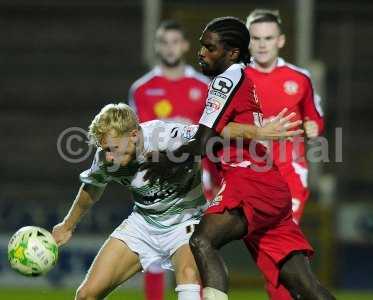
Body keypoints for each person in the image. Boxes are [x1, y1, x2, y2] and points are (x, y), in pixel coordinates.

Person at [140, 17, 335, 300]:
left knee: (202, 241)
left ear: (231, 53)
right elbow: (219, 132)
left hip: (248, 181)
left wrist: (163, 162)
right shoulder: (243, 77)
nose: (202, 53)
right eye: (201, 46)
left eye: (210, 48)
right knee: (305, 286)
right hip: (270, 187)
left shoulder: (226, 79)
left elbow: (202, 141)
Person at [52, 103, 302, 300]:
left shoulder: (167, 135)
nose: (109, 156)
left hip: (186, 222)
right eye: (105, 149)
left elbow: (216, 131)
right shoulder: (106, 157)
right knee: (86, 295)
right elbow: (92, 188)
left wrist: (259, 132)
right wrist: (68, 225)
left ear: (134, 134)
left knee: (188, 276)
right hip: (143, 224)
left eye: (113, 148)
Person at [128, 20, 217, 299]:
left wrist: (214, 177)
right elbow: (135, 138)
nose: (169, 47)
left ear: (186, 46)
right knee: (152, 255)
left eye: (175, 41)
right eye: (164, 42)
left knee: (197, 250)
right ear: (156, 46)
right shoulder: (142, 88)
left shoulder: (203, 86)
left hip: (195, 178)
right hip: (155, 177)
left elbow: (213, 136)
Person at [244, 9, 326, 299]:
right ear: (248, 41)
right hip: (248, 176)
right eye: (256, 38)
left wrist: (313, 126)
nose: (262, 44)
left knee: (279, 244)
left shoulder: (299, 78)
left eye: (268, 38)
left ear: (281, 40)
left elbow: (315, 116)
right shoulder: (236, 78)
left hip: (289, 172)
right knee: (271, 253)